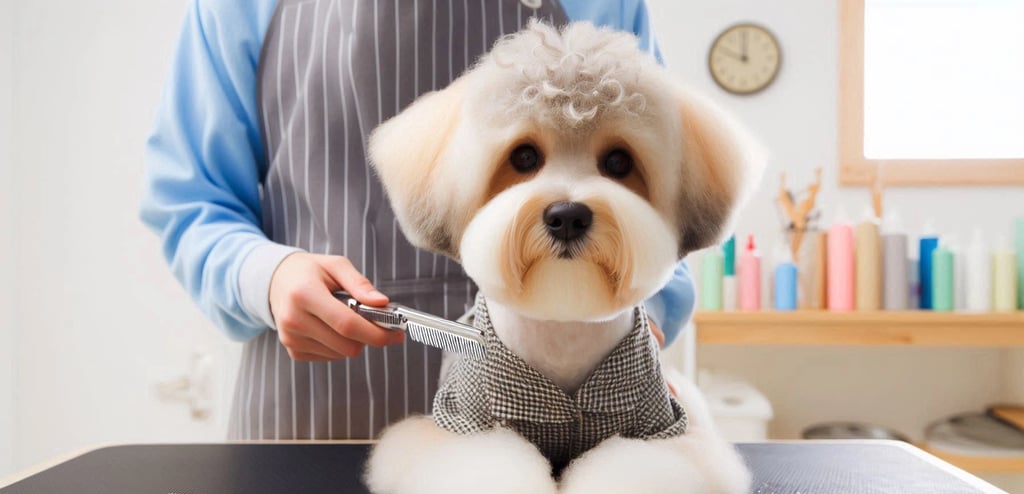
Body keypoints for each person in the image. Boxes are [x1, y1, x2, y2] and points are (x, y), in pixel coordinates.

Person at [141, 0, 695, 441]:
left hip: (564, 434)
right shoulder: (234, 6)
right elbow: (191, 202)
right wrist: (267, 275)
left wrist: (641, 326)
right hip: (314, 424)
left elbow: (668, 188)